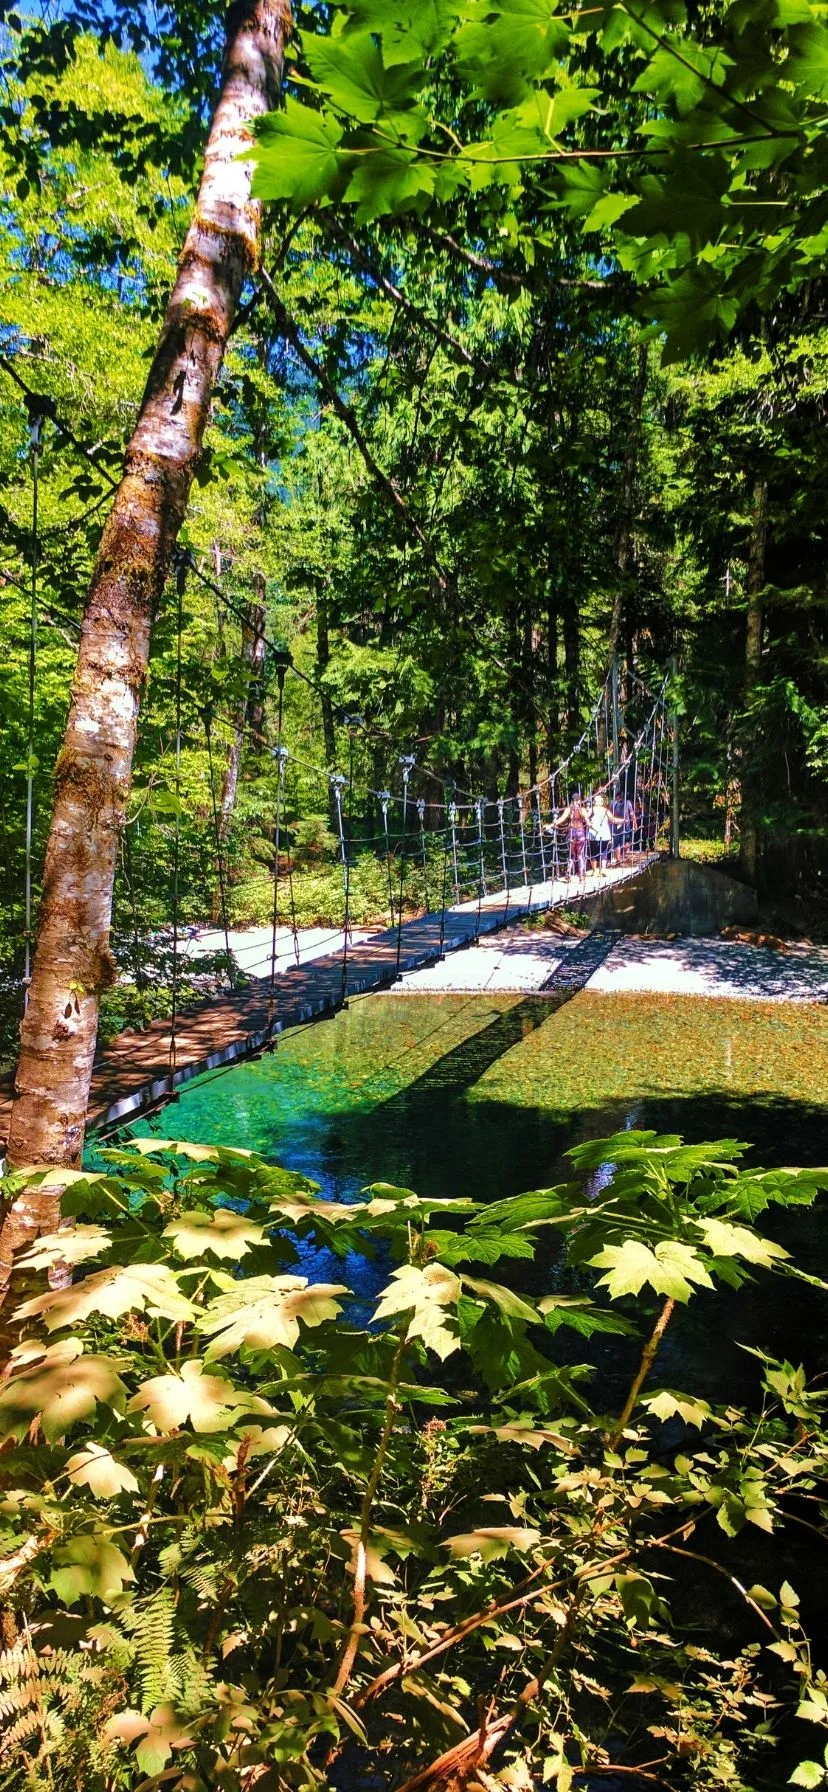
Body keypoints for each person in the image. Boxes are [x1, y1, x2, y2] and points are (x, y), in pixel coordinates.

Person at [552, 791, 589, 878]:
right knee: (580, 855)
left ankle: (568, 872)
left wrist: (552, 824)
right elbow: (587, 821)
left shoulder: (568, 810)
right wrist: (589, 823)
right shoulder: (583, 810)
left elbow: (561, 819)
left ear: (572, 801)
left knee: (572, 855)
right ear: (579, 801)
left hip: (572, 833)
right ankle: (581, 875)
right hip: (580, 834)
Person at [587, 791, 613, 869]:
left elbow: (586, 817)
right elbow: (612, 819)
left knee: (593, 852)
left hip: (593, 833)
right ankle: (603, 869)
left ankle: (594, 870)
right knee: (604, 851)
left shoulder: (591, 809)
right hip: (604, 834)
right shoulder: (605, 810)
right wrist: (623, 820)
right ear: (601, 802)